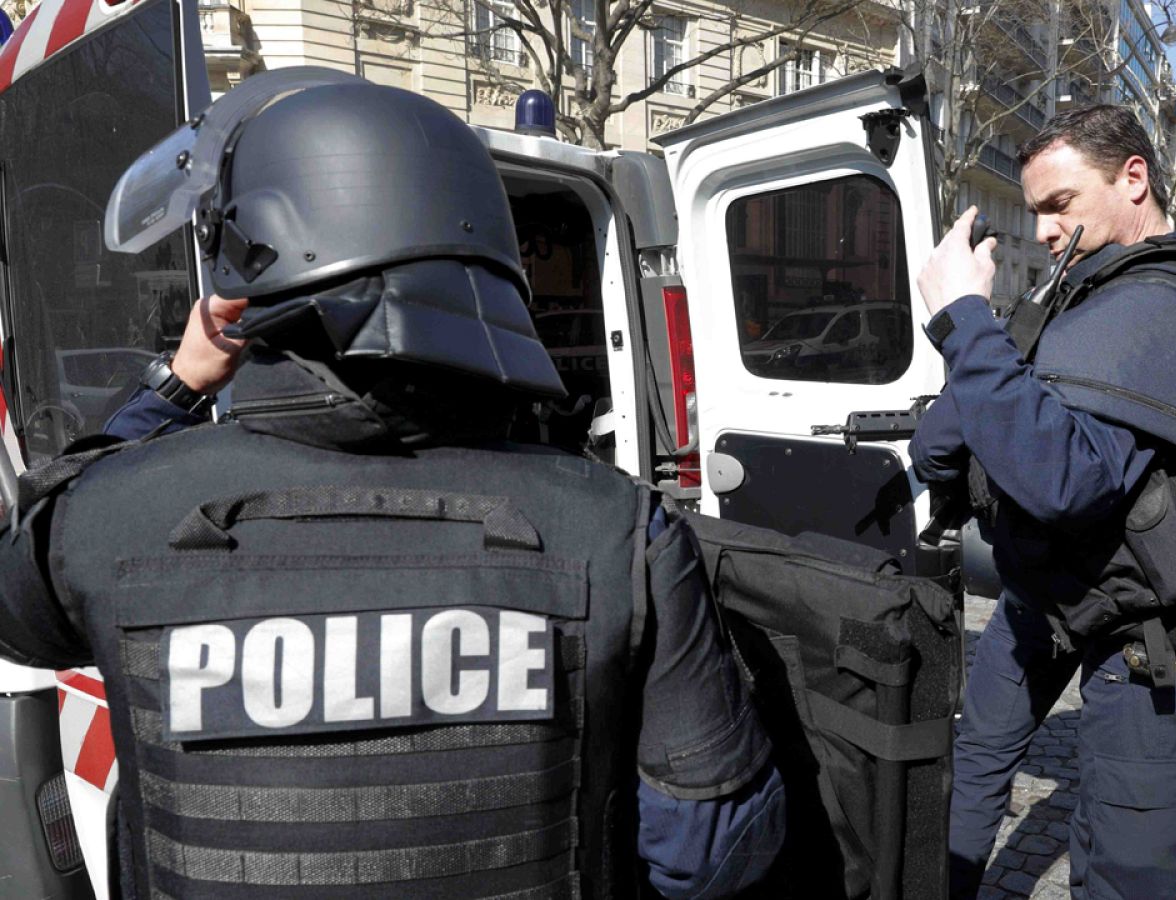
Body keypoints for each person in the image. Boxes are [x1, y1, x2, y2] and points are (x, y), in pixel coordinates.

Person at [0, 70, 782, 899]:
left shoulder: (110, 517)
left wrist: (177, 388)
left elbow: (20, 617)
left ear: (249, 269)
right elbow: (713, 858)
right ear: (488, 271)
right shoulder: (622, 526)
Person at [912, 105, 1176, 899]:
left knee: (1125, 874)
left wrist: (964, 320)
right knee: (973, 768)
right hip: (1059, 595)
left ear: (1134, 177)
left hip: (1159, 647)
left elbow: (1059, 479)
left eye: (1059, 205)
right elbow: (937, 450)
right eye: (1034, 213)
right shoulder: (1082, 300)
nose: (1043, 232)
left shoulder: (1156, 303)